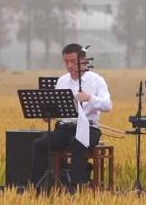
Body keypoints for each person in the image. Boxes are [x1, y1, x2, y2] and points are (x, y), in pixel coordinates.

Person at [31, 43, 112, 193]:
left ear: (83, 60)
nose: (69, 66)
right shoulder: (62, 81)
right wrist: (48, 114)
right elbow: (56, 108)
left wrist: (90, 98)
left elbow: (108, 105)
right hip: (65, 127)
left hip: (89, 128)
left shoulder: (96, 80)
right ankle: (37, 187)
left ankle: (76, 187)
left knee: (77, 142)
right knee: (40, 144)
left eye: (73, 62)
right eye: (66, 62)